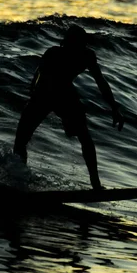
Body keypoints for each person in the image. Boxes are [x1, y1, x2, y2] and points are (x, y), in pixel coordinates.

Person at [13, 25, 124, 190]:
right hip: (44, 93)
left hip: (65, 93)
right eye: (75, 43)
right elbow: (38, 75)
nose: (79, 47)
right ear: (66, 42)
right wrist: (34, 95)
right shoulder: (53, 53)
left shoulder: (87, 56)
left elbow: (101, 82)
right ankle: (18, 181)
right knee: (21, 140)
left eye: (81, 43)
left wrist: (114, 108)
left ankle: (96, 184)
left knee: (85, 137)